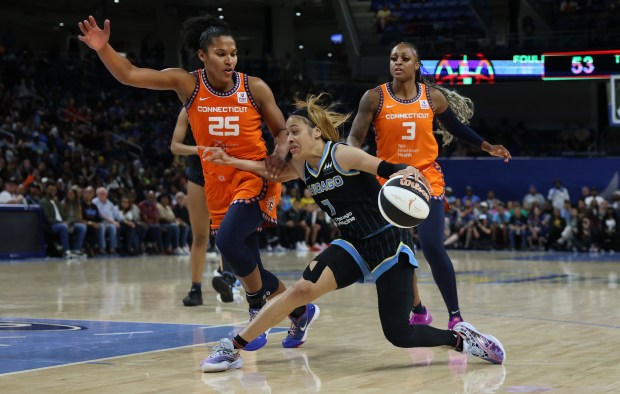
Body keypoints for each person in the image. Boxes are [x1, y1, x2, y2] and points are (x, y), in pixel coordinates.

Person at [199, 93, 505, 372]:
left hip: (388, 241)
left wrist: (407, 172)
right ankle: (233, 347)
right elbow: (269, 171)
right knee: (300, 291)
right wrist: (230, 161)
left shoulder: (341, 155)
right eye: (287, 133)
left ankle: (461, 340)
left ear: (316, 132)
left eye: (295, 132)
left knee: (398, 334)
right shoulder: (303, 167)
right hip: (352, 242)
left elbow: (387, 167)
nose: (288, 138)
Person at [78, 15, 316, 350]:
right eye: (221, 53)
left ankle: (256, 311)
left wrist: (279, 151)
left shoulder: (254, 86)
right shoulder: (188, 84)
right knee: (250, 265)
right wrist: (103, 49)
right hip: (217, 183)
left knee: (228, 242)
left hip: (254, 176)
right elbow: (130, 74)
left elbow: (280, 130)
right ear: (203, 56)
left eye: (233, 53)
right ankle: (302, 310)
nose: (230, 59)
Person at [347, 42, 511, 329]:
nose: (397, 62)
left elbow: (456, 127)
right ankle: (419, 309)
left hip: (425, 176)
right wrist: (355, 167)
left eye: (405, 58)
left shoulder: (432, 96)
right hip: (389, 178)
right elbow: (354, 140)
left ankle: (456, 317)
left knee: (434, 246)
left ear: (416, 65)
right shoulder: (374, 98)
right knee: (399, 249)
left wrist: (487, 146)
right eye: (393, 57)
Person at [169, 108, 237, 306]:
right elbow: (175, 146)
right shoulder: (188, 109)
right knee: (199, 236)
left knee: (225, 233)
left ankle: (227, 278)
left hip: (226, 174)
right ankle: (195, 289)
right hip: (198, 175)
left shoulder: (231, 106)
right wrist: (199, 150)